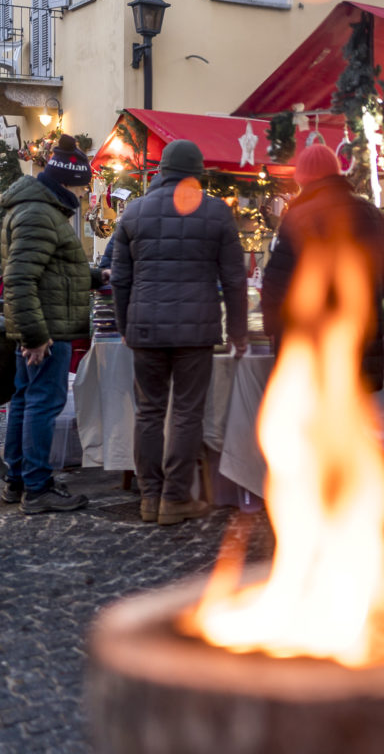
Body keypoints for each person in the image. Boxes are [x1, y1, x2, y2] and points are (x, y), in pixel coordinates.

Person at [110, 139, 248, 525]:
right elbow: (234, 279)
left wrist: (124, 326)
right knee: (186, 412)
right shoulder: (216, 212)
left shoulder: (134, 212)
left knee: (149, 412)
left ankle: (149, 499)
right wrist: (238, 331)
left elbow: (120, 279)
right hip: (197, 330)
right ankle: (175, 499)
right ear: (196, 173)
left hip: (145, 328)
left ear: (161, 171)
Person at [0, 135, 104, 513]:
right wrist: (36, 335)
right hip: (47, 329)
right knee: (41, 403)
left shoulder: (36, 210)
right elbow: (19, 278)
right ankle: (37, 486)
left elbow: (52, 269)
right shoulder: (38, 213)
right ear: (65, 181)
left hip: (41, 323)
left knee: (25, 401)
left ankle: (17, 481)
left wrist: (94, 276)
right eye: (79, 187)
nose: (80, 195)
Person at [261, 144, 384, 391]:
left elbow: (275, 284)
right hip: (362, 339)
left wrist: (272, 328)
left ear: (302, 178)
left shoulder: (299, 215)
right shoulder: (373, 214)